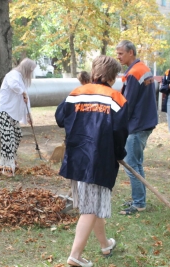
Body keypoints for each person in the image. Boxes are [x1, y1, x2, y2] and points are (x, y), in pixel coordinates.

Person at [55, 55, 129, 267]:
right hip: (99, 160)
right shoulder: (117, 98)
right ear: (113, 77)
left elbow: (60, 118)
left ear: (94, 71)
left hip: (77, 157)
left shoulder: (76, 93)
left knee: (91, 204)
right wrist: (119, 153)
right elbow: (121, 131)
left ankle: (105, 244)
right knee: (90, 209)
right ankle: (75, 256)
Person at [116, 40, 158, 215]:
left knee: (131, 165)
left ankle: (139, 202)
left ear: (131, 52)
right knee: (137, 164)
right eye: (117, 53)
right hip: (146, 121)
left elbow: (128, 103)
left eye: (121, 54)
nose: (118, 57)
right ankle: (139, 198)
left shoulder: (134, 73)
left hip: (138, 124)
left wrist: (118, 122)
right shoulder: (142, 68)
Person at [0, 58, 36, 177]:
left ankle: (7, 162)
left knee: (17, 135)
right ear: (26, 69)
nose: (31, 74)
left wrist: (28, 114)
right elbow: (14, 86)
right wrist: (23, 92)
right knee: (9, 138)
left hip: (12, 113)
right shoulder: (13, 75)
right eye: (31, 71)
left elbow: (26, 98)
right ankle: (7, 167)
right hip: (3, 112)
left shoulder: (21, 79)